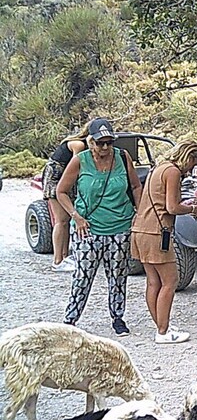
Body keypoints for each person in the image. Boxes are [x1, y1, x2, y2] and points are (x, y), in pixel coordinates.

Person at [56, 118, 142, 336]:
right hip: (89, 228)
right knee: (82, 276)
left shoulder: (122, 157)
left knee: (118, 275)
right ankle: (70, 319)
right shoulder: (80, 160)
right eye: (99, 143)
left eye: (108, 143)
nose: (104, 147)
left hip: (120, 225)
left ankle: (118, 317)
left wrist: (138, 214)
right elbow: (61, 191)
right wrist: (76, 216)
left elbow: (135, 186)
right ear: (90, 142)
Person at [131, 141, 197, 344]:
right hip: (157, 232)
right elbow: (172, 207)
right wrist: (195, 210)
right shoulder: (173, 172)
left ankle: (160, 326)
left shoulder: (159, 168)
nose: (191, 171)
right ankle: (163, 332)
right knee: (170, 281)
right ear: (188, 158)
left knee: (153, 282)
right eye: (194, 164)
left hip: (140, 229)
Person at [42, 124, 89, 271]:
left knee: (66, 221)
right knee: (61, 220)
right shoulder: (79, 144)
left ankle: (64, 256)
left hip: (64, 177)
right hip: (56, 177)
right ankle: (57, 260)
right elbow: (76, 164)